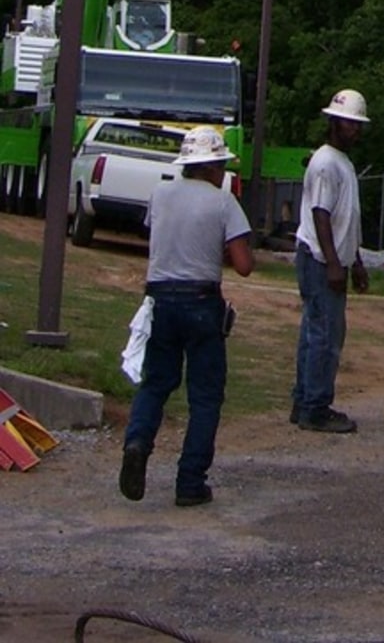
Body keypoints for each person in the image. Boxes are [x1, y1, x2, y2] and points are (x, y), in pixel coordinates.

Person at [119, 125, 254, 508]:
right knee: (205, 396)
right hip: (201, 302)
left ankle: (137, 441)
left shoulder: (160, 194)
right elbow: (244, 265)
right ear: (212, 166)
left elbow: (159, 239)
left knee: (156, 383)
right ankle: (189, 481)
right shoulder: (223, 202)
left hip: (160, 300)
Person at [291, 86, 370, 433]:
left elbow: (345, 217)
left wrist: (357, 262)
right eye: (349, 124)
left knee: (315, 331)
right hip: (320, 260)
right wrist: (335, 264)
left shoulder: (342, 162)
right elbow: (321, 215)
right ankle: (315, 407)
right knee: (325, 334)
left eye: (357, 125)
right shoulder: (326, 163)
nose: (355, 130)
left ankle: (304, 400)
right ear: (334, 123)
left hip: (331, 258)